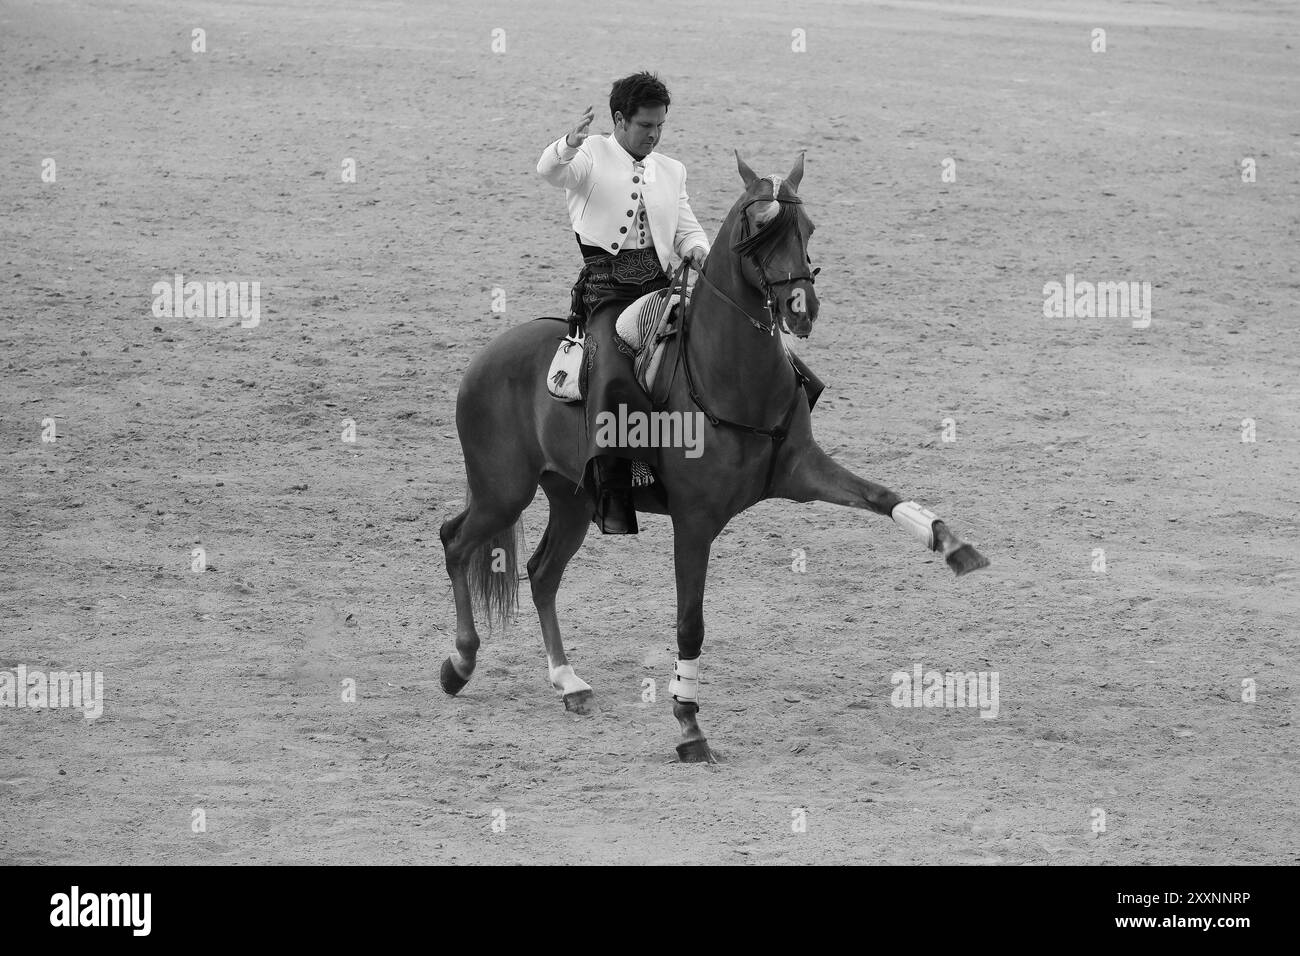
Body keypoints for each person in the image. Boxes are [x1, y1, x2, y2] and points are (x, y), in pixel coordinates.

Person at [537, 72, 709, 534]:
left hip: (660, 286)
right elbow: (551, 172)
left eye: (660, 127)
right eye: (645, 126)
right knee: (612, 372)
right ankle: (617, 481)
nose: (653, 135)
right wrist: (567, 144)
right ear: (619, 119)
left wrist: (696, 248)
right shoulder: (589, 154)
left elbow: (686, 226)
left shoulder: (671, 170)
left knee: (717, 343)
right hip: (606, 290)